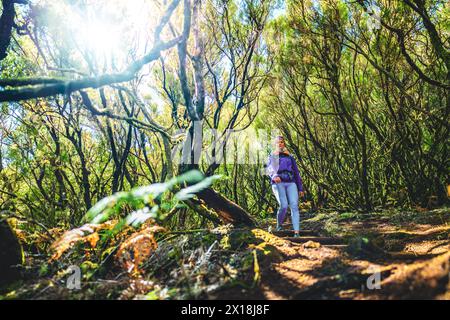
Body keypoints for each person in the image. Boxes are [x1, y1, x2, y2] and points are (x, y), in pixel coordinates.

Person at [266, 136, 304, 237]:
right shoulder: (272, 156)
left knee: (294, 206)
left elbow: (296, 172)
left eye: (282, 142)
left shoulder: (290, 157)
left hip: (291, 182)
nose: (280, 144)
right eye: (278, 142)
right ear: (275, 144)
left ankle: (297, 232)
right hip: (278, 183)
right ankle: (279, 224)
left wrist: (300, 188)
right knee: (284, 205)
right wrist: (274, 176)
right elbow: (269, 169)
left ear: (284, 144)